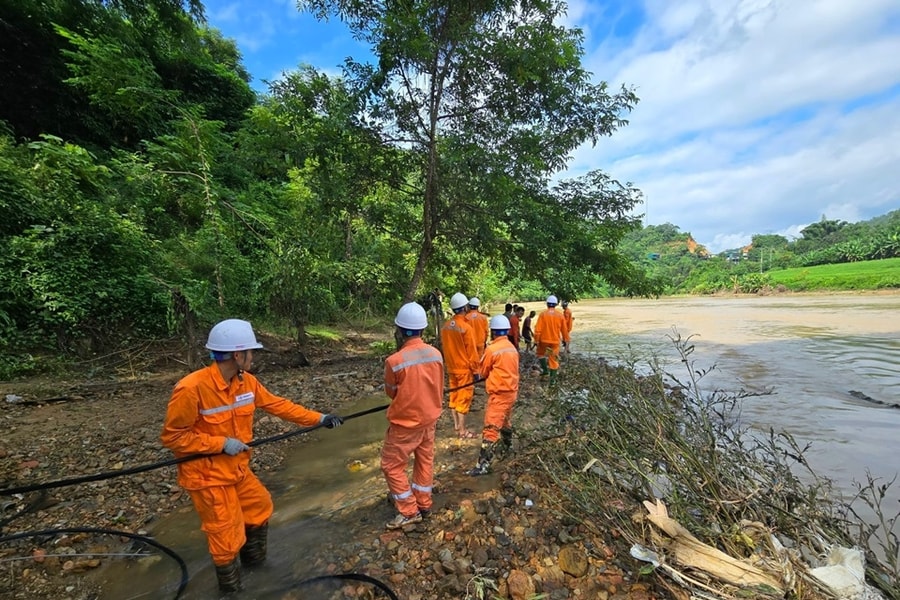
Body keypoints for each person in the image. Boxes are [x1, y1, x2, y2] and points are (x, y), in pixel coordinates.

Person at [160, 319, 344, 594]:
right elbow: (173, 437)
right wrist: (220, 443)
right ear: (237, 355)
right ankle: (232, 591)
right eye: (251, 352)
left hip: (237, 469)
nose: (253, 357)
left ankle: (257, 572)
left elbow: (279, 405)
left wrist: (319, 418)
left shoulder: (247, 382)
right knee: (225, 536)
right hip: (207, 477)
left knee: (259, 507)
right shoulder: (191, 389)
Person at [381, 302, 445, 529]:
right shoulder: (436, 355)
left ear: (399, 330)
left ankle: (409, 511)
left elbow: (391, 392)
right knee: (424, 461)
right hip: (430, 421)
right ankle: (423, 503)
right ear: (422, 329)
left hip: (405, 425)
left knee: (391, 465)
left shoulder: (394, 362)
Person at [470, 315, 519, 476]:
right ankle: (508, 447)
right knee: (505, 421)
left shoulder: (492, 349)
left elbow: (483, 371)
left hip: (499, 394)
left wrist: (479, 375)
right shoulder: (512, 348)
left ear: (493, 332)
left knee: (490, 428)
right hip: (511, 393)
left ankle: (483, 465)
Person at [441, 292, 481, 439]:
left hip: (451, 368)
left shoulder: (445, 327)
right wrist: (476, 371)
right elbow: (472, 352)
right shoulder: (465, 327)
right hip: (464, 369)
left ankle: (457, 427)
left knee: (454, 397)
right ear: (465, 307)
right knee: (463, 399)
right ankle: (463, 431)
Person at [533, 295, 568, 384]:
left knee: (540, 354)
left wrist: (536, 340)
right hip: (555, 341)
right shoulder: (560, 315)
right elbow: (564, 330)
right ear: (556, 304)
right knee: (553, 359)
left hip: (543, 340)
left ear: (547, 304)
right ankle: (552, 381)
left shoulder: (543, 314)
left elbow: (538, 329)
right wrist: (565, 340)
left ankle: (545, 370)